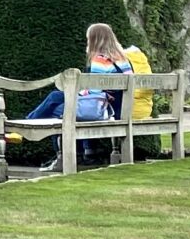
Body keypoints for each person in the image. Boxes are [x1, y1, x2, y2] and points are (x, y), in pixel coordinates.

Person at [10, 24, 135, 162]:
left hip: (105, 109)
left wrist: (76, 92)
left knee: (57, 107)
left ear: (94, 40)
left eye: (88, 39)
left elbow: (93, 91)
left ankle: (29, 133)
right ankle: (88, 153)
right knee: (63, 105)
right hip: (120, 107)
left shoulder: (100, 59)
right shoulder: (123, 59)